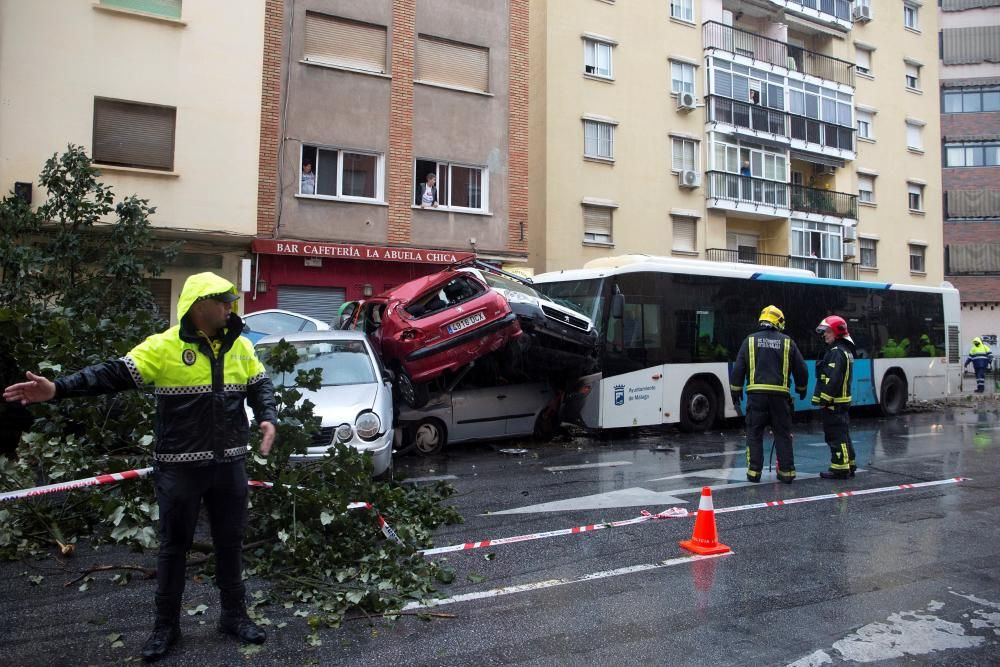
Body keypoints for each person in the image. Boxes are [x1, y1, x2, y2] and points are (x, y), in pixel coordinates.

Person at [3, 272, 277, 663]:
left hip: (229, 465)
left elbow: (260, 385)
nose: (230, 307)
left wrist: (267, 416)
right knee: (173, 548)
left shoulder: (240, 346)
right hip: (179, 469)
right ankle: (166, 627)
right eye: (224, 300)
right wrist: (58, 389)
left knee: (230, 544)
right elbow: (111, 374)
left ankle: (234, 616)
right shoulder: (162, 347)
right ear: (200, 305)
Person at [730, 305, 809, 484]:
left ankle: (754, 472)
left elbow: (738, 368)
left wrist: (735, 390)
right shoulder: (788, 341)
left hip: (756, 397)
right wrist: (801, 388)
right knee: (782, 433)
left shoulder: (749, 341)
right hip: (780, 399)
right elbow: (801, 368)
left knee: (754, 433)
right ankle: (787, 472)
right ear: (778, 321)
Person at [813, 315, 856, 480]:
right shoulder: (844, 351)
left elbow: (833, 379)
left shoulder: (837, 353)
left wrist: (824, 399)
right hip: (841, 402)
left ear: (837, 332)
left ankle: (840, 467)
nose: (824, 335)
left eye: (828, 332)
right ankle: (849, 463)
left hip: (834, 402)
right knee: (843, 434)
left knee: (835, 435)